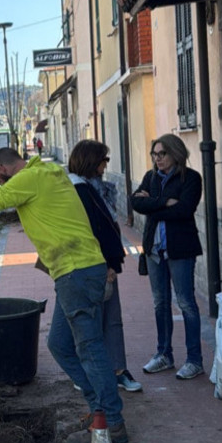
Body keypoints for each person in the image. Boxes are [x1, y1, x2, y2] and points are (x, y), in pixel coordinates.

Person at [0, 145, 127, 443]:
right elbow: (9, 185)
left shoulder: (27, 180)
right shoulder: (46, 171)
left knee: (89, 348)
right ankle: (99, 409)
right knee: (59, 344)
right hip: (78, 272)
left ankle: (111, 422)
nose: (0, 181)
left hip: (76, 273)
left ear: (3, 170)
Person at [68, 140, 142, 393]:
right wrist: (108, 264)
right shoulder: (79, 190)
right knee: (95, 321)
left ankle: (117, 370)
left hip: (103, 263)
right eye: (104, 160)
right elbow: (93, 231)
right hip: (94, 266)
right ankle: (94, 375)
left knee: (111, 318)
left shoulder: (93, 187)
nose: (106, 165)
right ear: (91, 161)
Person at [130, 134, 204, 380]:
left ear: (175, 153)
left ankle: (194, 360)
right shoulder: (150, 177)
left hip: (180, 249)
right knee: (160, 303)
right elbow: (136, 203)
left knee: (186, 303)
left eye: (162, 153)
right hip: (154, 251)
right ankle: (164, 354)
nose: (157, 158)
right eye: (154, 154)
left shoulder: (191, 178)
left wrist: (152, 206)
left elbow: (184, 210)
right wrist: (164, 202)